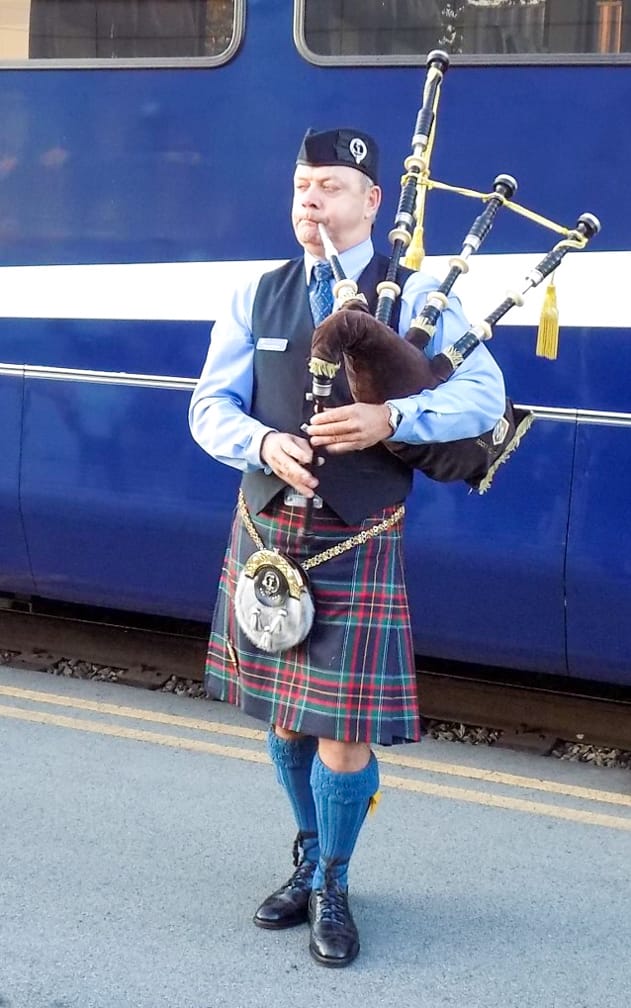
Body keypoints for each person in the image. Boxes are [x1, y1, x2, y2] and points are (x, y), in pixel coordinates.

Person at [189, 127, 506, 968]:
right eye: (300, 185)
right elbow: (208, 407)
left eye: (328, 186)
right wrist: (259, 444)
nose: (309, 200)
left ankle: (332, 880)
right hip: (266, 534)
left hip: (353, 537)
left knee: (341, 732)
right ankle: (304, 850)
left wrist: (388, 418)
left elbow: (483, 395)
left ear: (372, 202)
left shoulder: (420, 290)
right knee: (287, 725)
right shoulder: (255, 293)